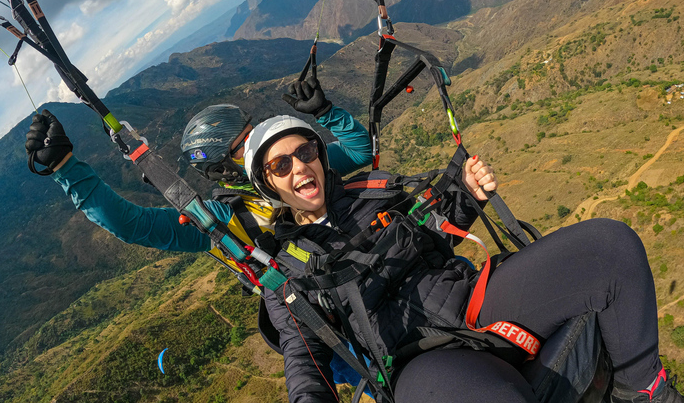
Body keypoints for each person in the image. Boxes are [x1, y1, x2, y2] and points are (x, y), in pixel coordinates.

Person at [243, 114, 683, 403]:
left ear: (320, 156)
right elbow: (305, 359)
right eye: (280, 166)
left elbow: (435, 225)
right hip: (416, 362)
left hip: (472, 299)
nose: (299, 167)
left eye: (305, 152)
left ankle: (643, 393)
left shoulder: (372, 191)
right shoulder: (287, 273)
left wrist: (469, 194)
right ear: (268, 185)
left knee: (610, 247)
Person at [24, 76, 370, 385]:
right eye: (242, 144)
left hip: (371, 282)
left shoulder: (292, 169)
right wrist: (64, 167)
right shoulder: (222, 220)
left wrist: (325, 112)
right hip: (338, 334)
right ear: (224, 170)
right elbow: (130, 224)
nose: (257, 142)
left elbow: (359, 150)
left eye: (251, 131)